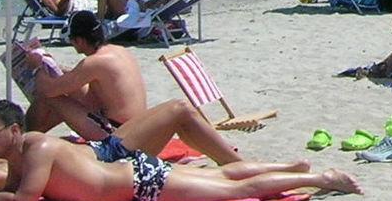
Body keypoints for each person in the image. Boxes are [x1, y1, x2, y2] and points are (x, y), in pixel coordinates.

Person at [0, 101, 362, 201]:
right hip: (136, 176)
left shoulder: (37, 147)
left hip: (143, 185)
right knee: (224, 179)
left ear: (14, 131)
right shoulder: (27, 152)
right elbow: (11, 185)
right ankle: (289, 167)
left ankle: (320, 180)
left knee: (235, 187)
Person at [24, 10, 241, 165]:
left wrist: (37, 67)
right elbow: (79, 78)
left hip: (121, 137)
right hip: (137, 127)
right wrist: (53, 65)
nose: (72, 45)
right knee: (68, 88)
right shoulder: (117, 51)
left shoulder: (93, 63)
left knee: (50, 98)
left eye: (72, 40)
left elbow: (48, 90)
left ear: (80, 40)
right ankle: (27, 138)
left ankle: (27, 140)